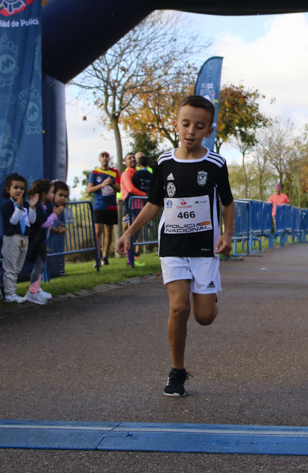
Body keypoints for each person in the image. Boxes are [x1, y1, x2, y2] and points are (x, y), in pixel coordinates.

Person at [115, 95, 235, 399]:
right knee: (179, 307)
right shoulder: (164, 162)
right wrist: (128, 232)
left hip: (205, 249)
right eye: (185, 124)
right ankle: (177, 371)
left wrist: (228, 234)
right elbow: (155, 203)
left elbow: (227, 202)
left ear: (208, 130)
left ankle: (208, 297)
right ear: (176, 125)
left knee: (204, 316)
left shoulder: (216, 163)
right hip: (172, 246)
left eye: (199, 126)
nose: (191, 131)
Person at [0, 173, 37, 304]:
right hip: (12, 238)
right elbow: (13, 221)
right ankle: (9, 294)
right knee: (10, 267)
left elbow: (31, 220)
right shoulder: (8, 205)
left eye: (21, 188)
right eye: (16, 187)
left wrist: (32, 207)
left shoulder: (25, 204)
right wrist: (19, 208)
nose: (19, 191)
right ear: (8, 189)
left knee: (17, 268)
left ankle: (13, 290)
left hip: (24, 238)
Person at [21, 179, 57, 305]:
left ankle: (37, 289)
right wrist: (55, 215)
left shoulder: (46, 206)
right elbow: (43, 223)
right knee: (38, 266)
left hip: (41, 240)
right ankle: (32, 292)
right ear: (43, 194)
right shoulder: (36, 206)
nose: (53, 195)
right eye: (51, 192)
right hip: (35, 241)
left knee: (41, 266)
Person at [87, 151, 119, 265]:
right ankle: (97, 256)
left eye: (107, 157)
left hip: (111, 206)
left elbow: (119, 189)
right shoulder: (95, 173)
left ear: (109, 159)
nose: (105, 159)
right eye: (103, 157)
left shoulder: (115, 172)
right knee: (97, 231)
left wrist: (111, 184)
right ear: (99, 159)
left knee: (109, 232)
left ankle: (105, 256)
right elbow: (89, 190)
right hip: (99, 205)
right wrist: (102, 184)